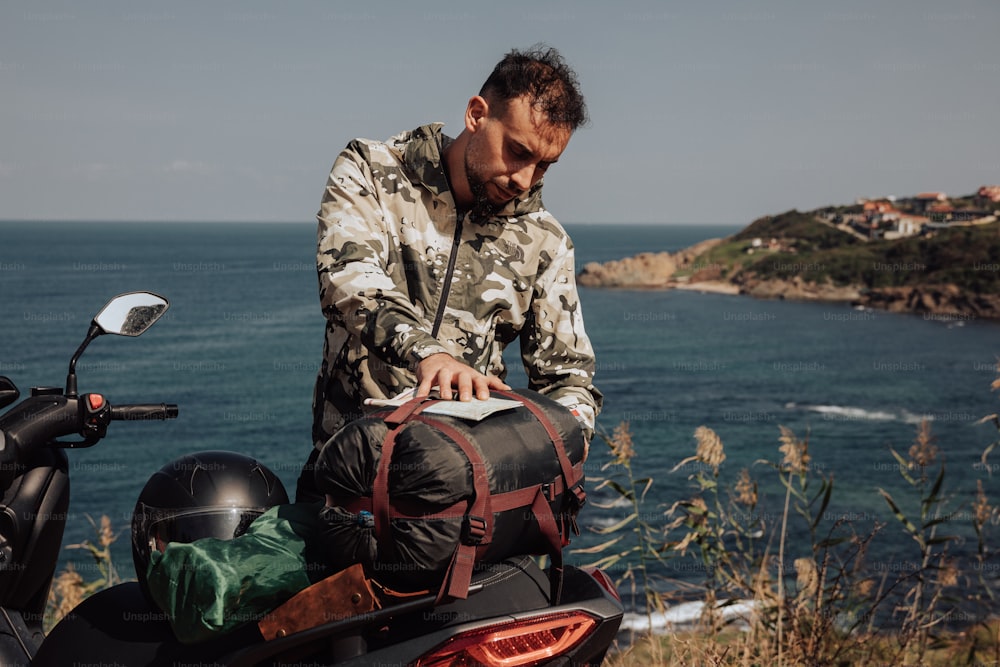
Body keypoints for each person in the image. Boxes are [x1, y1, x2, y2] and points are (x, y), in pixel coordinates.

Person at [297, 45, 602, 502]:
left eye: (544, 165)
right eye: (518, 152)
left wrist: (547, 453)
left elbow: (568, 378)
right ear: (477, 115)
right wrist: (431, 356)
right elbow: (349, 279)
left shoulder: (546, 240)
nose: (526, 178)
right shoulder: (372, 171)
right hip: (347, 480)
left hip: (465, 497)